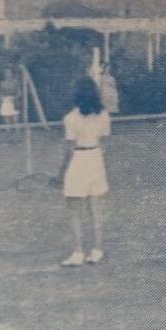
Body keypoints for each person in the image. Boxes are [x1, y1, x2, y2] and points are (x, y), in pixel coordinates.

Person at [50, 77, 112, 267]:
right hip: (96, 160)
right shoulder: (103, 115)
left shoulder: (70, 118)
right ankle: (97, 250)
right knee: (95, 209)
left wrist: (59, 175)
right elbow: (104, 143)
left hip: (79, 161)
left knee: (75, 211)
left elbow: (68, 151)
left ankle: (79, 252)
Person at [0, 66, 20, 135]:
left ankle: (17, 132)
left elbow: (19, 93)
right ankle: (8, 132)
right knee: (6, 117)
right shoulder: (2, 83)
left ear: (12, 74)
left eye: (9, 73)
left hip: (14, 100)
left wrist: (14, 98)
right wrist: (1, 98)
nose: (8, 74)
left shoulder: (15, 82)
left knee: (15, 118)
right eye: (6, 73)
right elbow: (1, 93)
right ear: (4, 74)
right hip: (6, 101)